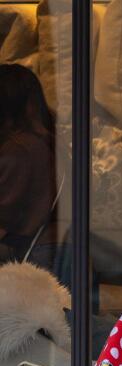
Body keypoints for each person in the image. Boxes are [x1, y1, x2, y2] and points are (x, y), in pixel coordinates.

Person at [0, 64, 58, 266]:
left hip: (30, 255)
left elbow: (5, 214)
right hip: (47, 249)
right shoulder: (45, 141)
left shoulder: (19, 150)